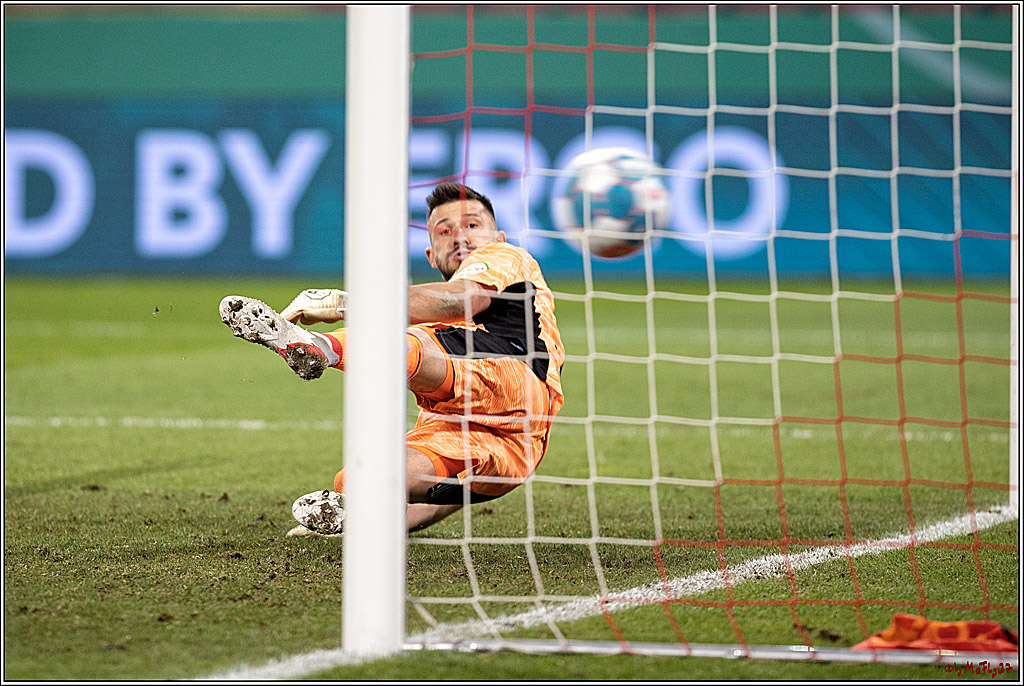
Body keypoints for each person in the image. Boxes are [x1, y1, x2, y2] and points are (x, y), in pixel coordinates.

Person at [219, 183, 565, 536]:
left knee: (409, 341)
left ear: (498, 237)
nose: (460, 236)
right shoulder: (434, 319)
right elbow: (443, 501)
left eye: (473, 225)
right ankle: (363, 514)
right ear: (431, 255)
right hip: (512, 451)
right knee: (363, 477)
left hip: (521, 383)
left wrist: (348, 304)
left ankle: (319, 347)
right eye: (445, 230)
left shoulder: (508, 258)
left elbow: (463, 299)